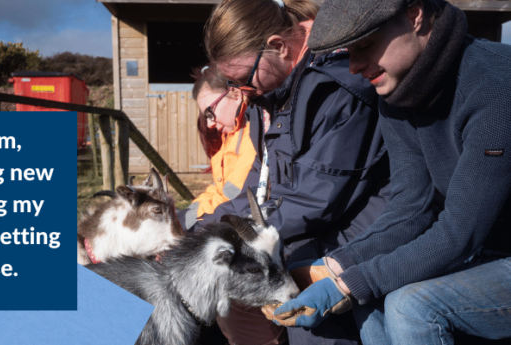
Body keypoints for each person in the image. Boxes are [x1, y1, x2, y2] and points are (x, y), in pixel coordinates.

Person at [273, 0, 511, 344]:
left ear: (415, 16)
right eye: (349, 51)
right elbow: (411, 209)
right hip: (485, 254)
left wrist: (348, 284)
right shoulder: (398, 94)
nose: (354, 66)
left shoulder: (496, 89)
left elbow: (461, 233)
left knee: (410, 306)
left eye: (366, 46)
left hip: (491, 251)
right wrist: (334, 266)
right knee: (371, 299)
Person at [196, 0, 392, 344]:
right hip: (304, 237)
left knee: (302, 321)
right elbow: (260, 186)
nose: (242, 92)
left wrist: (218, 235)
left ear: (279, 46)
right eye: (232, 83)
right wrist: (203, 226)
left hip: (356, 244)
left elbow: (317, 199)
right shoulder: (269, 97)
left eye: (242, 79)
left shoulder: (336, 90)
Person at [178, 66, 267, 231]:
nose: (210, 124)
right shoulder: (231, 136)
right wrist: (181, 218)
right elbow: (216, 192)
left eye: (210, 113)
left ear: (235, 94)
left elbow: (235, 199)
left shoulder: (251, 135)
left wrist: (187, 227)